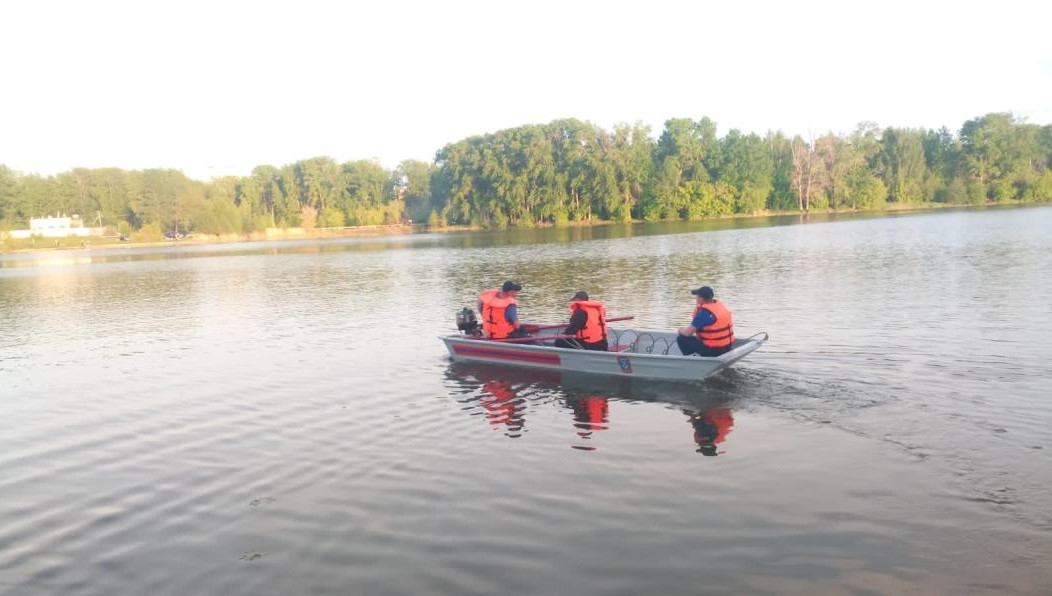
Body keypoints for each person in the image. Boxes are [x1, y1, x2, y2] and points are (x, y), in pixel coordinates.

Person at [676, 286, 735, 357]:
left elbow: (687, 333)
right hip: (727, 348)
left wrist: (680, 330)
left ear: (701, 298)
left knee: (681, 338)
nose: (696, 299)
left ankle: (691, 360)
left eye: (697, 297)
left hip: (714, 352)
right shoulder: (720, 307)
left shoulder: (704, 314)